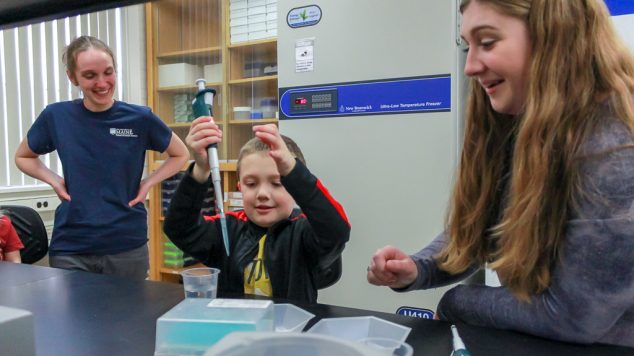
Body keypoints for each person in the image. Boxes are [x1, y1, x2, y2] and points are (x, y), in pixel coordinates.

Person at [367, 0, 634, 348]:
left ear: (555, 35)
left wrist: (455, 303)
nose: (470, 66)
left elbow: (572, 317)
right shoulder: (525, 124)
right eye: (468, 45)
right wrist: (418, 268)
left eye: (488, 42)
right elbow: (481, 228)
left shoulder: (616, 150)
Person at [14, 36, 189, 280]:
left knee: (128, 316)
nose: (102, 83)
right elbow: (23, 156)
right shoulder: (57, 116)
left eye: (108, 72)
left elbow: (180, 153)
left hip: (126, 244)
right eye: (90, 75)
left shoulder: (139, 118)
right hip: (72, 246)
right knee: (73, 318)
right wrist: (54, 180)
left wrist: (148, 182)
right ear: (73, 77)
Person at [164, 121, 350, 302]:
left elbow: (336, 232)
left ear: (295, 190)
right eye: (251, 184)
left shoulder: (303, 233)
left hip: (289, 331)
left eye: (277, 183)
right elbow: (179, 227)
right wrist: (200, 169)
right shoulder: (227, 229)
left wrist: (293, 172)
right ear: (240, 188)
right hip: (237, 331)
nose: (262, 194)